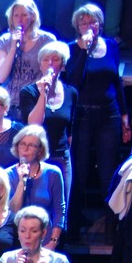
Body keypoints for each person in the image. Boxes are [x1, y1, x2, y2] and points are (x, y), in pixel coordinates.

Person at [64, 3, 131, 240]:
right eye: (83, 23)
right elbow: (73, 81)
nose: (88, 26)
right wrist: (83, 51)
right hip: (82, 116)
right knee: (79, 172)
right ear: (77, 26)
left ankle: (111, 229)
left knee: (108, 173)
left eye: (92, 22)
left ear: (100, 24)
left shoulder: (111, 45)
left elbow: (117, 81)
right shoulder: (72, 48)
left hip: (108, 115)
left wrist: (125, 116)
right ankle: (73, 229)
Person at [20, 41, 77, 207]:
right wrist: (43, 94)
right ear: (40, 64)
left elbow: (70, 131)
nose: (50, 64)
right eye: (46, 60)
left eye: (55, 60)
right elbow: (34, 124)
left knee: (61, 207)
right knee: (36, 207)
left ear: (63, 65)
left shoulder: (71, 93)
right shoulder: (28, 92)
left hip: (61, 157)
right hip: (35, 158)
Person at [0, 0, 57, 121]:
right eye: (16, 15)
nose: (19, 19)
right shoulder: (5, 40)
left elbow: (52, 71)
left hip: (32, 102)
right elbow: (1, 77)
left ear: (32, 16)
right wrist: (13, 47)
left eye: (24, 15)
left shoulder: (47, 40)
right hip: (9, 104)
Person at [7, 125, 66, 248]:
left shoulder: (53, 173)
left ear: (40, 150)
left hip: (45, 241)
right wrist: (21, 182)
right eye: (22, 144)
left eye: (31, 145)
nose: (25, 149)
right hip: (16, 241)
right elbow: (13, 211)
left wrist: (53, 241)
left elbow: (59, 210)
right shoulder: (7, 175)